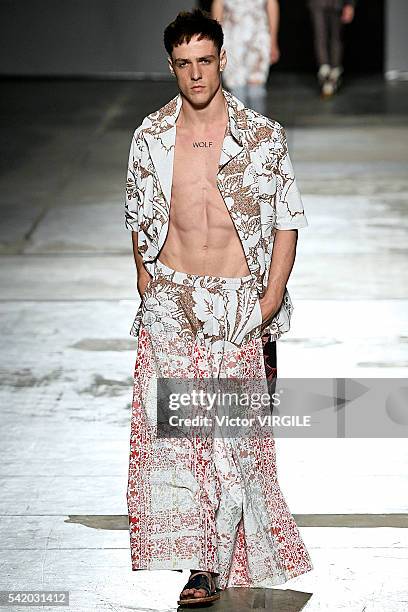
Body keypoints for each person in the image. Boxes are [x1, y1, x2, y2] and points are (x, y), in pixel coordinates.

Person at [124, 8, 313, 607]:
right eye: (184, 64)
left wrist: (272, 294)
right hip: (175, 300)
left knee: (233, 436)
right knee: (185, 438)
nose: (196, 74)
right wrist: (146, 282)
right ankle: (203, 565)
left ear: (223, 60)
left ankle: (234, 550)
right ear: (171, 66)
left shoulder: (262, 136)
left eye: (205, 61)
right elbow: (137, 212)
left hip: (236, 303)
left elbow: (287, 217)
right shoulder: (151, 137)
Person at [211, 0, 280, 113]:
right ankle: (240, 129)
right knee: (236, 89)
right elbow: (218, 4)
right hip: (231, 39)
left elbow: (271, 4)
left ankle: (258, 128)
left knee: (256, 88)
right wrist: (216, 42)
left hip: (258, 38)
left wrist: (273, 41)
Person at [308, 0, 356, 97]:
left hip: (337, 3)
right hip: (318, 4)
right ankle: (324, 69)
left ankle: (334, 72)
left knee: (336, 37)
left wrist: (350, 5)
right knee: (320, 36)